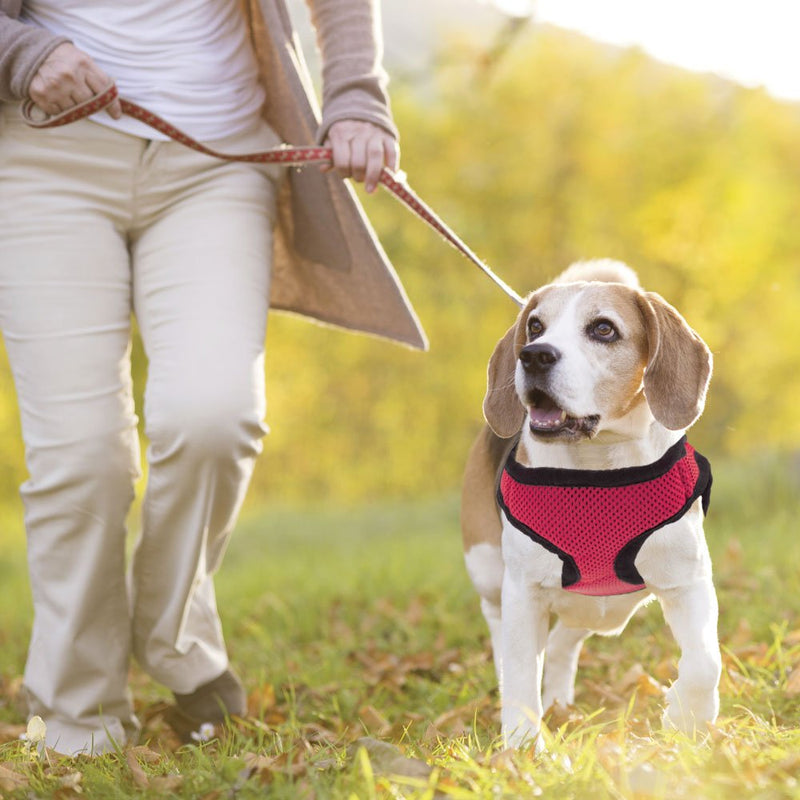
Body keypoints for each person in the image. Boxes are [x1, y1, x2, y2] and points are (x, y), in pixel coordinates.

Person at [0, 0, 426, 756]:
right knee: (80, 458)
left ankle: (178, 649)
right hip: (43, 162)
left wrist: (357, 97)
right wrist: (19, 53)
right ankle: (75, 714)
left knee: (214, 416)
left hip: (219, 158)